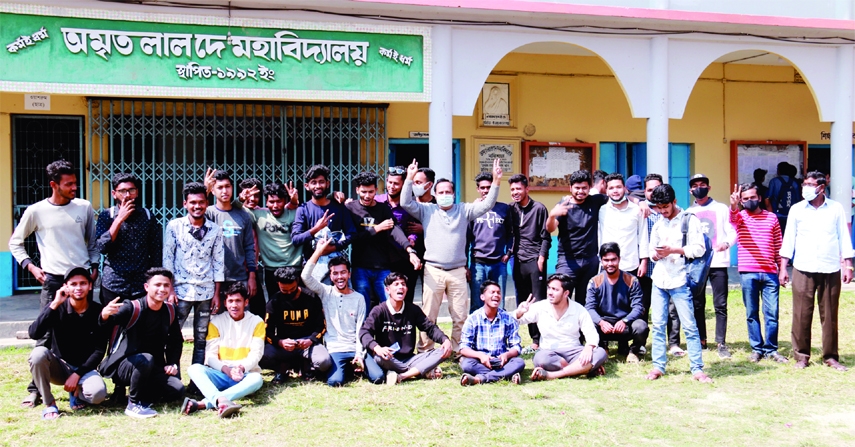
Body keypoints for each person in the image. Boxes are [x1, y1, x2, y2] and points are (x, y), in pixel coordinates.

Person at [9, 160, 99, 409]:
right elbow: (15, 242)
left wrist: (93, 268)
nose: (74, 188)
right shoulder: (36, 211)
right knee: (44, 335)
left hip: (81, 278)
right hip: (53, 280)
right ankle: (35, 389)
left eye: (75, 182)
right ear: (54, 185)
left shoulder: (84, 207)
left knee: (83, 331)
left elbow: (92, 243)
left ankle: (79, 380)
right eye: (68, 184)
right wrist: (30, 266)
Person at [401, 158, 502, 354]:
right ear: (435, 194)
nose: (445, 195)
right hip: (433, 270)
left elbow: (487, 205)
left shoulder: (464, 210)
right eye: (441, 192)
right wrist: (409, 179)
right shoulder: (426, 210)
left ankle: (459, 351)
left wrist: (496, 182)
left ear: (454, 194)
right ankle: (426, 351)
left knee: (460, 316)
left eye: (449, 192)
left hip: (457, 271)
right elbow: (405, 202)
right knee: (428, 316)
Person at [779, 171, 854, 371]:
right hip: (803, 267)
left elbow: (844, 237)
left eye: (810, 184)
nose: (806, 188)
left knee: (829, 314)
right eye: (805, 184)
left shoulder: (836, 208)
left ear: (821, 187)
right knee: (801, 314)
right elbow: (789, 239)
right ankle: (801, 356)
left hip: (830, 267)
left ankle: (830, 356)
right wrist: (783, 267)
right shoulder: (797, 209)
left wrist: (848, 264)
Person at [645, 184, 712, 383]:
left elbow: (699, 249)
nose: (663, 211)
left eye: (665, 207)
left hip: (681, 279)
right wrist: (656, 255)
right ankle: (658, 366)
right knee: (658, 325)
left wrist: (673, 250)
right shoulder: (658, 223)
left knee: (689, 326)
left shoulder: (689, 220)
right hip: (660, 279)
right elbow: (651, 251)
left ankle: (697, 368)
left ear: (674, 201)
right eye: (658, 208)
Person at [99, 268, 185, 418]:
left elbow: (176, 340)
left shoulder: (170, 310)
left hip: (153, 365)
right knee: (145, 359)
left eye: (166, 285)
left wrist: (172, 363)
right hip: (125, 366)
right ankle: (134, 404)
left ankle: (145, 393)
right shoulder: (132, 307)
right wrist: (104, 315)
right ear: (146, 287)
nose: (162, 289)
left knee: (176, 389)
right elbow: (107, 324)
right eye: (157, 285)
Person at [27, 268, 107, 419]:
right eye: (73, 284)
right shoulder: (57, 307)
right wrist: (55, 303)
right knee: (38, 354)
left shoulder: (98, 311)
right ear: (66, 286)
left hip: (84, 369)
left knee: (98, 395)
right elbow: (34, 333)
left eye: (83, 283)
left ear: (90, 286)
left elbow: (99, 350)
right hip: (60, 367)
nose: (78, 288)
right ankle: (49, 404)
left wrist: (77, 375)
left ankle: (77, 392)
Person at [163, 182, 225, 367]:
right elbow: (167, 259)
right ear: (185, 204)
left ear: (207, 203)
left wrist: (216, 294)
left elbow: (218, 262)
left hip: (206, 292)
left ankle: (196, 380)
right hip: (180, 292)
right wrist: (170, 290)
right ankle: (172, 374)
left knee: (201, 338)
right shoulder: (174, 226)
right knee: (173, 335)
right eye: (193, 202)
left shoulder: (215, 230)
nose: (197, 206)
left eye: (201, 202)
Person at [183, 283, 264, 419]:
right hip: (221, 373)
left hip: (244, 375)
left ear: (246, 302)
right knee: (194, 369)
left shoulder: (257, 322)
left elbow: (257, 354)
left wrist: (241, 368)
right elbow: (210, 356)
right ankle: (221, 401)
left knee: (257, 379)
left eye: (238, 301)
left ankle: (205, 403)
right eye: (230, 301)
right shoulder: (216, 321)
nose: (234, 305)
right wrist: (226, 370)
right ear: (225, 303)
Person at [729, 183, 787, 363]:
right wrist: (734, 205)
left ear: (759, 198)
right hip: (748, 273)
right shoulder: (741, 217)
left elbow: (779, 245)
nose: (749, 201)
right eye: (745, 199)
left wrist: (782, 269)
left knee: (772, 313)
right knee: (751, 313)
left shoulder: (772, 218)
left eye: (752, 197)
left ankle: (771, 349)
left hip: (770, 273)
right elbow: (732, 219)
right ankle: (756, 349)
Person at [346, 171, 421, 310]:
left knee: (391, 305)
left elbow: (395, 230)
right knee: (363, 307)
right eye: (363, 192)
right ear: (357, 190)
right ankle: (364, 333)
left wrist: (410, 250)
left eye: (370, 191)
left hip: (383, 267)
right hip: (360, 267)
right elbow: (353, 237)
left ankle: (391, 332)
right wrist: (377, 228)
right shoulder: (350, 209)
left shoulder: (383, 209)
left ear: (376, 189)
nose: (367, 196)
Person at [359, 272, 451, 384]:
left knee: (443, 351)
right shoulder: (379, 310)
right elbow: (364, 332)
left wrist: (444, 339)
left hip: (410, 359)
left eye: (403, 284)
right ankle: (421, 370)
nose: (400, 287)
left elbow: (429, 328)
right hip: (387, 357)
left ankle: (403, 375)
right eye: (396, 284)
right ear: (388, 290)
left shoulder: (413, 309)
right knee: (379, 357)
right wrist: (377, 348)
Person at [515, 273, 607, 381]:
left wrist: (589, 347)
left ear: (566, 293)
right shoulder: (540, 307)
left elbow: (591, 333)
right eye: (549, 288)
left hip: (574, 352)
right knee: (540, 358)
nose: (550, 292)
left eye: (555, 289)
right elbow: (515, 321)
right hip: (549, 353)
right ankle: (583, 369)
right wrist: (519, 312)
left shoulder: (578, 309)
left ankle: (552, 375)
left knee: (600, 353)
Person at [301, 238, 368, 387]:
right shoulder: (325, 292)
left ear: (349, 274)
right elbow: (305, 276)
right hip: (335, 349)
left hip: (354, 347)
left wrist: (359, 353)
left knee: (378, 377)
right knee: (335, 382)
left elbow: (360, 328)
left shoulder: (359, 298)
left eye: (343, 273)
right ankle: (346, 369)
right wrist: (318, 252)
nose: (340, 277)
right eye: (335, 274)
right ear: (330, 276)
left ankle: (354, 365)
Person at [686, 173, 736, 358]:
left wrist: (727, 244)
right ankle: (701, 341)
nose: (699, 188)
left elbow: (732, 230)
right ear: (691, 190)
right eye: (695, 185)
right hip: (698, 264)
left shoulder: (721, 208)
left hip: (718, 262)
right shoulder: (688, 212)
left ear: (709, 187)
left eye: (703, 184)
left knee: (720, 304)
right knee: (697, 303)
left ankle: (721, 342)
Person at [95, 172, 162, 305]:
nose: (127, 195)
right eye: (122, 191)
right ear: (114, 194)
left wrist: (156, 279)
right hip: (114, 283)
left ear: (137, 192)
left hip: (140, 283)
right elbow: (102, 247)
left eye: (131, 190)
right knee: (112, 323)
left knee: (140, 322)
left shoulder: (147, 216)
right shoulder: (107, 216)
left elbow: (156, 251)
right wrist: (119, 219)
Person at [546, 170, 609, 305]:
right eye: (577, 188)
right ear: (570, 188)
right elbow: (550, 229)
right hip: (567, 261)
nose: (581, 191)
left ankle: (582, 326)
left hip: (590, 260)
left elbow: (619, 196)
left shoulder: (596, 201)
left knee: (587, 301)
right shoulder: (564, 205)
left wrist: (640, 202)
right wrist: (552, 216)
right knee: (560, 296)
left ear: (589, 188)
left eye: (584, 188)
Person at [259, 266, 332, 382]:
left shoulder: (311, 297)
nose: (288, 293)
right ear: (278, 284)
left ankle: (304, 365)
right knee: (260, 355)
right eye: (284, 290)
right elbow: (267, 331)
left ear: (297, 281)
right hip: (285, 345)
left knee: (324, 362)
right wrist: (280, 342)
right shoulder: (274, 301)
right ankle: (284, 367)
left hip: (307, 343)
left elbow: (322, 325)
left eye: (292, 289)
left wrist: (311, 340)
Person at [292, 164, 357, 283]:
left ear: (328, 183)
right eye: (313, 182)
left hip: (336, 267)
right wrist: (316, 229)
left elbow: (352, 233)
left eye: (321, 182)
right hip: (312, 266)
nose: (318, 186)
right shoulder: (303, 209)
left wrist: (334, 247)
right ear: (307, 186)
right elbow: (296, 239)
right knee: (315, 301)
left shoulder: (339, 207)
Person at [507, 174, 551, 351]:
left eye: (518, 189)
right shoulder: (511, 209)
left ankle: (541, 339)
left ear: (527, 189)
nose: (515, 192)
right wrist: (508, 253)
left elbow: (546, 237)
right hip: (517, 260)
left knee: (539, 301)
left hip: (535, 260)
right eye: (512, 190)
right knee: (523, 301)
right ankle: (533, 340)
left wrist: (542, 257)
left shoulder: (539, 208)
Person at [239, 181, 301, 303]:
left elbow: (314, 207)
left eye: (279, 201)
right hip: (271, 270)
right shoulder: (258, 215)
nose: (275, 205)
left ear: (285, 201)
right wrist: (241, 199)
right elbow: (236, 210)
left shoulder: (296, 212)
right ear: (266, 202)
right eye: (271, 202)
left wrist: (294, 202)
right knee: (275, 304)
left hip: (294, 267)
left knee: (296, 303)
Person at [585, 243, 648, 363]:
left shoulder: (632, 280)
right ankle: (602, 348)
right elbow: (589, 308)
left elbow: (638, 307)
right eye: (606, 260)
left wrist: (625, 320)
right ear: (601, 261)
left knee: (641, 327)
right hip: (603, 325)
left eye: (613, 259)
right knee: (587, 324)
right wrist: (601, 322)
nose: (610, 264)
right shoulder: (594, 281)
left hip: (625, 324)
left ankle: (633, 351)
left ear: (619, 259)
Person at [203, 169, 257, 309]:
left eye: (227, 186)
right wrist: (205, 191)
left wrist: (252, 277)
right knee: (216, 323)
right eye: (219, 187)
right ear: (213, 191)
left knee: (241, 320)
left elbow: (249, 247)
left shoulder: (243, 215)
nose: (224, 191)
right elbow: (193, 218)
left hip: (239, 277)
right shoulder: (208, 213)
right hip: (214, 279)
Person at [376, 166, 428, 304]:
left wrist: (412, 239)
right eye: (389, 182)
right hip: (381, 258)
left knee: (405, 297)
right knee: (382, 298)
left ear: (403, 185)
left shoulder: (410, 205)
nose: (391, 186)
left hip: (404, 258)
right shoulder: (377, 201)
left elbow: (414, 227)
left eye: (396, 183)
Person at [459, 280, 524, 385]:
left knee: (519, 362)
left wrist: (506, 355)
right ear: (482, 297)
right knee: (467, 364)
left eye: (498, 293)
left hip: (502, 361)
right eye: (492, 292)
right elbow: (463, 347)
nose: (496, 295)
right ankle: (507, 374)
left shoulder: (508, 318)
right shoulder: (473, 319)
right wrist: (480, 356)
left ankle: (480, 379)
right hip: (481, 361)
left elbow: (516, 346)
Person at [467, 172, 514, 313]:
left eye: (489, 187)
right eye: (483, 188)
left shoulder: (504, 209)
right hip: (478, 264)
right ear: (478, 189)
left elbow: (512, 233)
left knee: (498, 303)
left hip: (499, 263)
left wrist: (509, 252)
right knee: (477, 304)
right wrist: (465, 265)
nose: (486, 190)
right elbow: (466, 238)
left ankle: (500, 333)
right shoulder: (472, 209)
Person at [598, 173, 649, 278]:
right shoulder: (601, 210)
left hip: (630, 265)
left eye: (618, 187)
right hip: (607, 265)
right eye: (611, 188)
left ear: (625, 189)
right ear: (606, 191)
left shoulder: (637, 210)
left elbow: (643, 237)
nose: (615, 191)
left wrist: (644, 262)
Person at [766, 162, 801, 234]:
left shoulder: (774, 181)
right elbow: (798, 199)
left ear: (779, 170)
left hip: (777, 215)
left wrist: (771, 215)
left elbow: (767, 199)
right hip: (792, 215)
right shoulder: (794, 182)